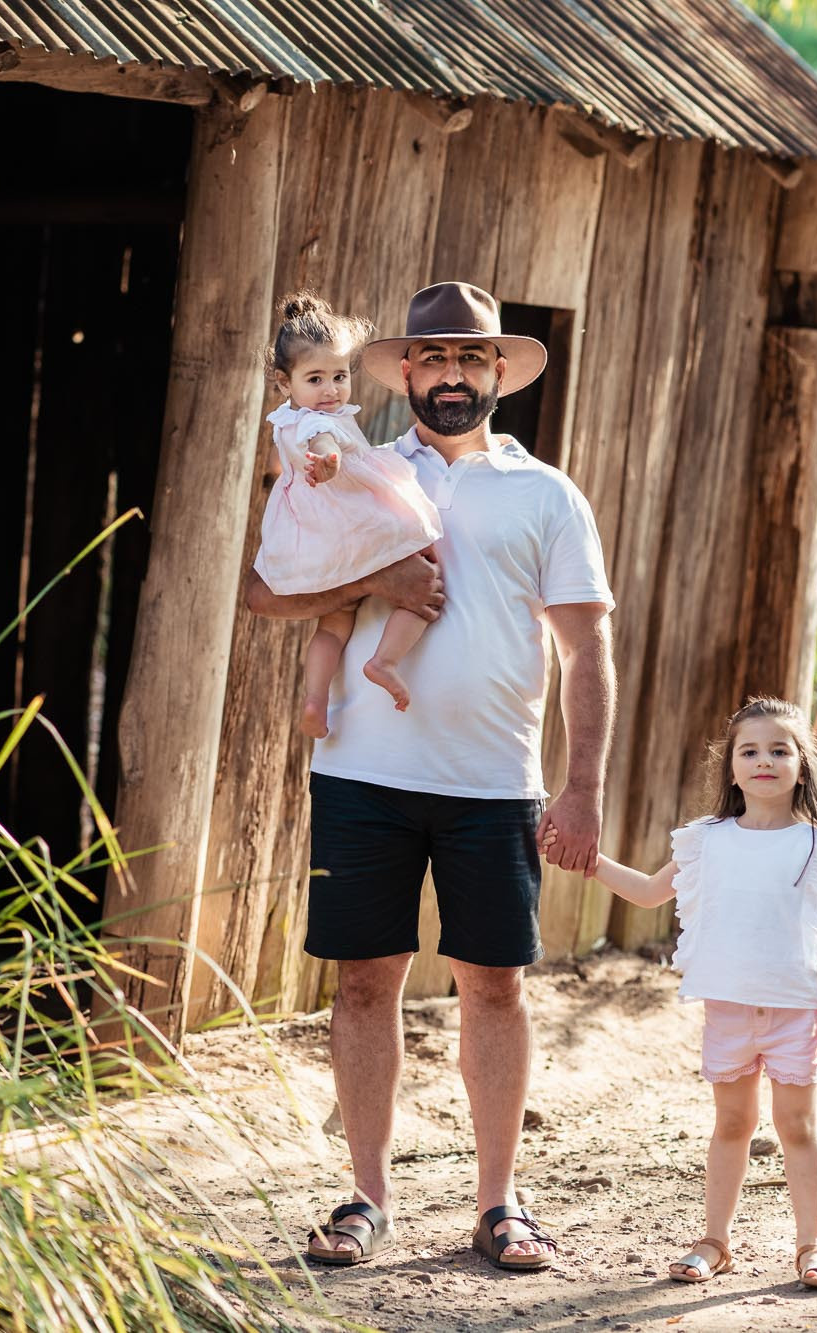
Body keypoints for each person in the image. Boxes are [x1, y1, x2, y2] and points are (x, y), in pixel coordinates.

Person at [244, 281, 615, 1272]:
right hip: (361, 774)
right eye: (433, 358)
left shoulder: (545, 494)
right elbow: (262, 589)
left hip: (494, 781)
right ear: (404, 370)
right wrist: (371, 581)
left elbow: (586, 654)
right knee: (364, 985)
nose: (450, 375)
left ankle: (499, 1202)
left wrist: (578, 789)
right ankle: (366, 1195)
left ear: (497, 372)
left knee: (492, 987)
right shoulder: (347, 466)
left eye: (470, 359)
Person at [569, 696, 817, 1292]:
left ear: (802, 764)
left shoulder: (815, 845)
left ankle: (811, 1246)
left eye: (780, 750)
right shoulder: (707, 840)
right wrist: (589, 862)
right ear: (731, 768)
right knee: (732, 1123)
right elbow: (649, 892)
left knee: (797, 1126)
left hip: (796, 1009)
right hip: (729, 1009)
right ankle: (715, 1241)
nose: (764, 761)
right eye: (749, 751)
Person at [253, 292, 443, 737]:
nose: (331, 390)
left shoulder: (289, 421)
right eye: (315, 379)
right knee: (427, 581)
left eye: (339, 376)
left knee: (334, 624)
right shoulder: (317, 423)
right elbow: (325, 445)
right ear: (285, 383)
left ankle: (315, 700)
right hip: (358, 526)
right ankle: (385, 661)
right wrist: (331, 462)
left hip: (322, 538)